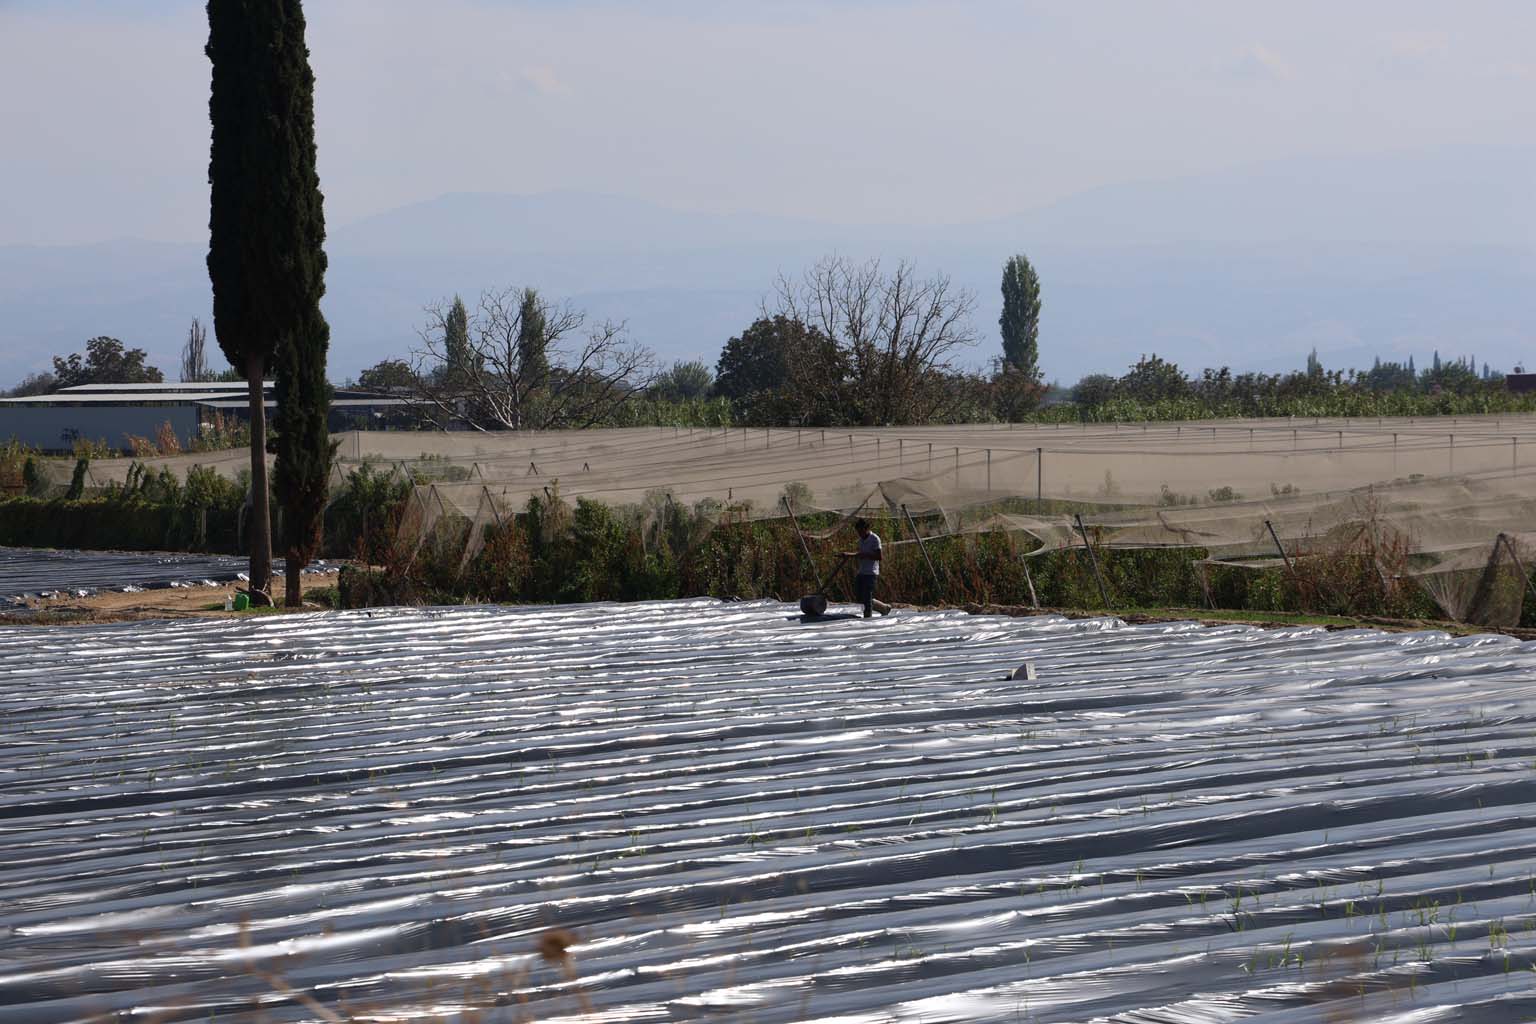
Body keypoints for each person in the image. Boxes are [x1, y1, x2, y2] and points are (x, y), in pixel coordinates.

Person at [842, 519, 890, 618]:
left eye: (861, 531)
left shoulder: (874, 539)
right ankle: (883, 608)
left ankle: (868, 618)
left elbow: (879, 557)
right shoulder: (860, 541)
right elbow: (860, 554)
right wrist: (850, 555)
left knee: (867, 597)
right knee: (860, 597)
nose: (860, 533)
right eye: (858, 532)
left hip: (871, 572)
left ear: (867, 529)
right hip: (862, 571)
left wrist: (863, 555)